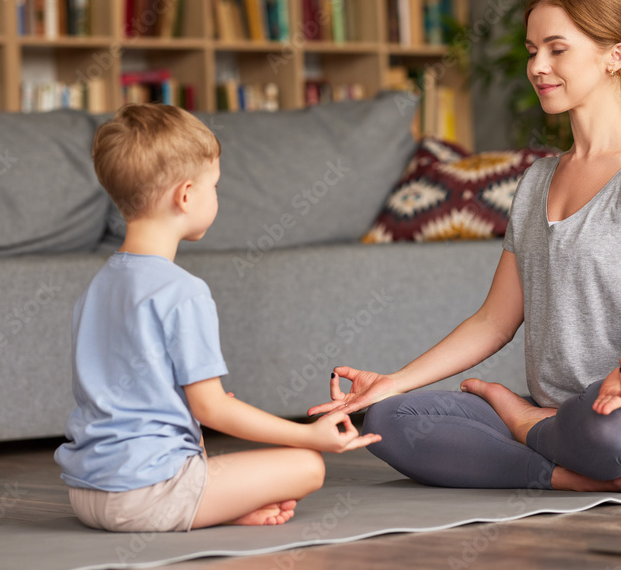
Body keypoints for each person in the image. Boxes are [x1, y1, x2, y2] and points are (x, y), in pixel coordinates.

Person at [309, 0, 621, 494]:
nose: (537, 67)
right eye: (533, 51)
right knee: (390, 419)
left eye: (557, 49)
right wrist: (393, 381)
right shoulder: (537, 181)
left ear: (615, 56)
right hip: (560, 412)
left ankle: (523, 427)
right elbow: (494, 321)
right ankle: (561, 474)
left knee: (609, 427)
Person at [54, 103, 379, 533]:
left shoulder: (97, 287)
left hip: (86, 493)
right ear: (186, 195)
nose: (216, 196)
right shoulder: (183, 291)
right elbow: (211, 407)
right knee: (307, 465)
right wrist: (309, 435)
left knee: (212, 464)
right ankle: (196, 507)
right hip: (144, 495)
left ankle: (215, 507)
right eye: (216, 185)